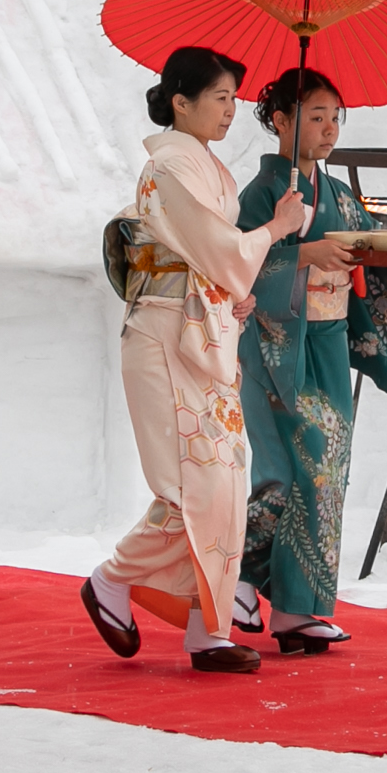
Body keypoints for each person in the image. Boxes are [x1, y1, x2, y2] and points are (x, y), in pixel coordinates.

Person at [79, 46, 312, 675]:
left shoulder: (204, 167)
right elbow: (223, 252)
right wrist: (277, 228)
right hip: (163, 338)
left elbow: (218, 266)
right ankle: (112, 580)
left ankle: (206, 632)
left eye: (235, 98)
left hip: (200, 334)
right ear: (179, 102)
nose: (231, 110)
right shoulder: (172, 168)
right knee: (189, 487)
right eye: (219, 97)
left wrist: (231, 297)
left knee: (224, 484)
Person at [233, 67, 387, 656]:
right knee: (285, 472)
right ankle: (239, 580)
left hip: (326, 339)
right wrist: (301, 252)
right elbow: (234, 265)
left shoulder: (340, 194)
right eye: (315, 116)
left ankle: (299, 611)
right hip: (276, 344)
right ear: (281, 121)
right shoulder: (262, 195)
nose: (329, 129)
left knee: (327, 473)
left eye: (335, 117)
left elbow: (367, 244)